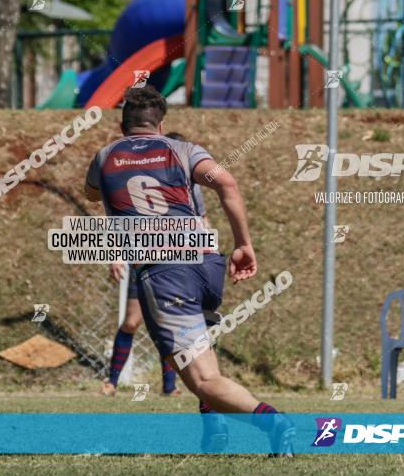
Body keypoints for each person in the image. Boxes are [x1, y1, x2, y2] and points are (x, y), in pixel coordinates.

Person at [84, 87, 294, 456]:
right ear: (161, 124)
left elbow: (90, 193)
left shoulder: (104, 156)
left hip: (165, 272)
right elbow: (226, 183)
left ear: (122, 125)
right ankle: (215, 433)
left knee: (202, 378)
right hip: (207, 264)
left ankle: (274, 423)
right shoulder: (183, 150)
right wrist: (244, 243)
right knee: (204, 359)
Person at [101, 132, 208, 397]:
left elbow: (203, 222)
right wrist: (117, 253)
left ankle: (169, 387)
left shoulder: (189, 186)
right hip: (143, 266)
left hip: (177, 268)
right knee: (131, 321)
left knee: (169, 327)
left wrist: (207, 254)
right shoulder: (137, 181)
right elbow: (119, 219)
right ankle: (111, 382)